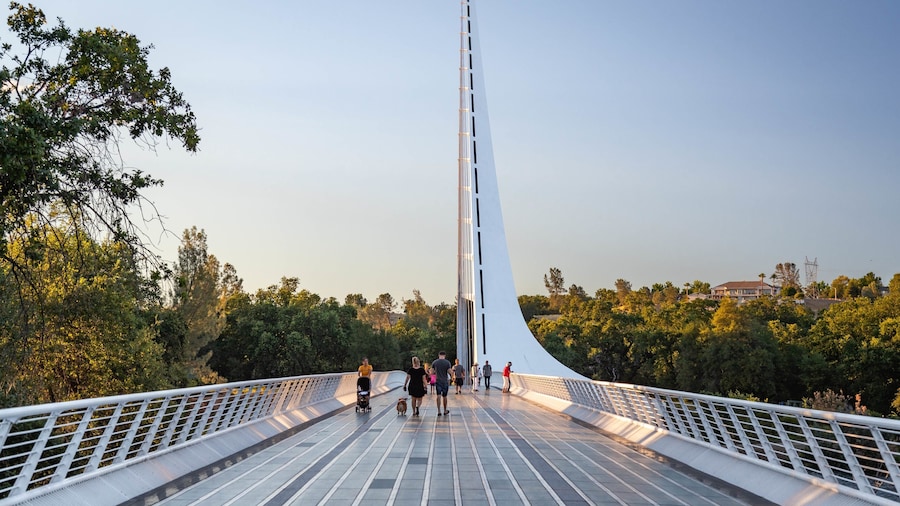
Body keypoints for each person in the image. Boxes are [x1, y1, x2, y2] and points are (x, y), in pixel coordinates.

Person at [432, 351, 452, 416]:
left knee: (438, 396)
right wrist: (453, 374)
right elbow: (450, 371)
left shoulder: (435, 362)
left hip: (438, 381)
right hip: (445, 381)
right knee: (445, 396)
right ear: (444, 356)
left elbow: (432, 372)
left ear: (439, 355)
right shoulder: (447, 362)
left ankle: (439, 411)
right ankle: (445, 410)